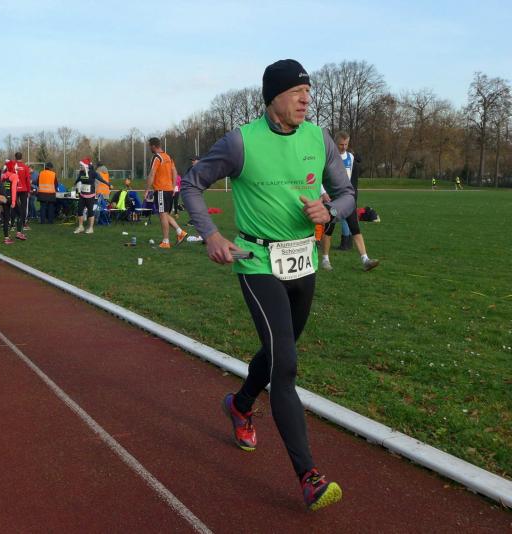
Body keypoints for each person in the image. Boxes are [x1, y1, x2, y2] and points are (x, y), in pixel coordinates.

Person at [181, 59, 355, 511]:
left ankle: (240, 405)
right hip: (257, 261)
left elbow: (347, 195)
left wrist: (330, 212)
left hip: (303, 260)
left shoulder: (319, 138)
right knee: (286, 365)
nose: (306, 99)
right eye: (297, 91)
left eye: (308, 92)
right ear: (273, 97)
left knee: (279, 352)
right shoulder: (240, 142)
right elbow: (191, 184)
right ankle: (309, 477)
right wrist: (211, 234)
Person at [320, 132, 379, 272]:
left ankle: (365, 259)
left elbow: (349, 178)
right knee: (328, 230)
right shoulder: (327, 157)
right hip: (332, 199)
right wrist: (323, 193)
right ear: (335, 143)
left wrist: (351, 195)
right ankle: (325, 260)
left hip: (346, 199)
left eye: (346, 144)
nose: (344, 147)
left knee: (355, 228)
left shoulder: (350, 157)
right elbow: (318, 177)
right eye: (341, 144)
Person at [144, 138, 187, 248]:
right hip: (169, 190)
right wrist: (173, 187)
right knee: (165, 214)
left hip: (161, 190)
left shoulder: (157, 157)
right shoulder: (168, 157)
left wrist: (147, 190)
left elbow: (152, 174)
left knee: (162, 215)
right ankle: (180, 232)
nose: (149, 148)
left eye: (150, 146)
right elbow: (175, 172)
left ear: (153, 146)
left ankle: (166, 241)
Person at [73, 158, 99, 234]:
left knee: (90, 211)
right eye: (80, 166)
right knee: (79, 210)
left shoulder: (93, 173)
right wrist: (75, 184)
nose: (80, 167)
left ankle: (91, 228)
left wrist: (108, 184)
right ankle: (81, 227)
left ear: (86, 166)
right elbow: (78, 179)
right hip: (82, 194)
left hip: (90, 195)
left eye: (81, 166)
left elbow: (99, 180)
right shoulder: (81, 173)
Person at [0, 161, 21, 244]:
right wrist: (13, 201)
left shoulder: (3, 175)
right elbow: (13, 189)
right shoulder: (14, 176)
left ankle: (6, 238)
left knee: (6, 218)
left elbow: (1, 187)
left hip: (4, 198)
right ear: (12, 167)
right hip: (11, 198)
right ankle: (18, 233)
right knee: (20, 214)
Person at [11, 152, 31, 233]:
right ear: (21, 157)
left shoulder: (12, 166)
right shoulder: (25, 167)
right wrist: (29, 190)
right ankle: (23, 223)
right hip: (24, 189)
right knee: (23, 207)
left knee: (13, 205)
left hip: (14, 189)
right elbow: (28, 180)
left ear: (15, 157)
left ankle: (12, 224)